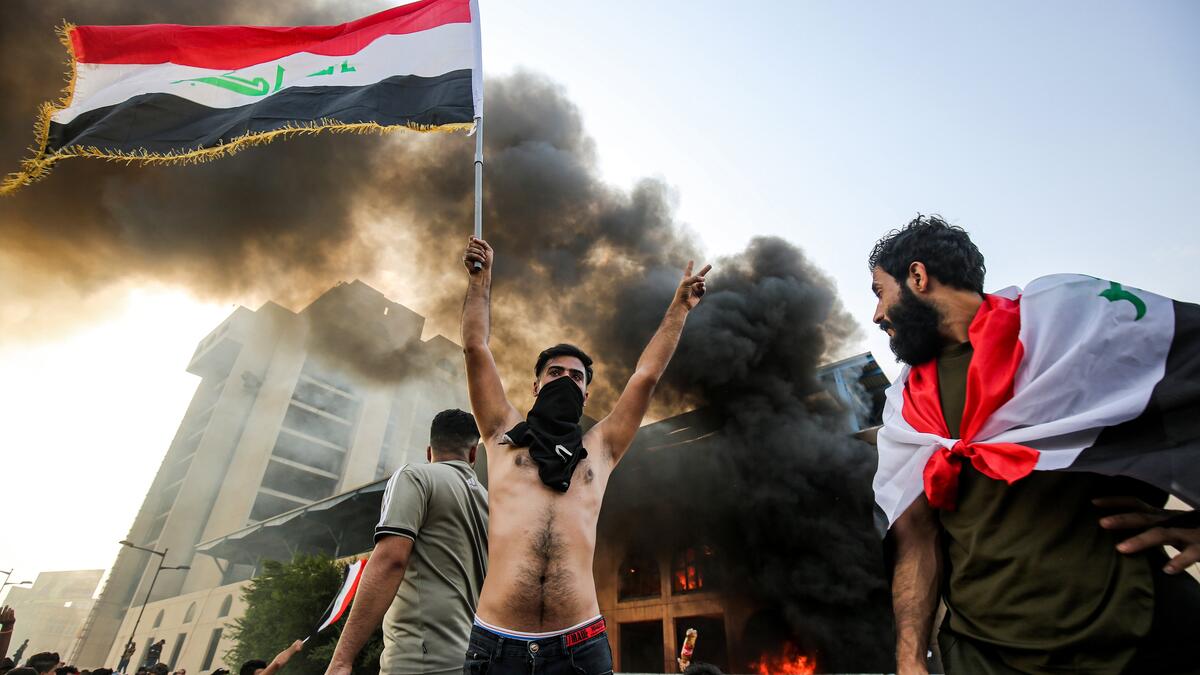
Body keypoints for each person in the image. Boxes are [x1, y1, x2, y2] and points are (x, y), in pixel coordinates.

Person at [869, 216, 1200, 674]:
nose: (878, 315)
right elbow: (916, 540)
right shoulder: (904, 409)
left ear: (918, 277)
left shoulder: (1065, 329)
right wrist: (910, 659)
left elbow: (1189, 366)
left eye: (880, 292)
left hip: (1138, 637)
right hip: (985, 657)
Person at [460, 236, 710, 674]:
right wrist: (481, 280)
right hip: (498, 646)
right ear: (536, 386)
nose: (565, 379)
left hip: (579, 647)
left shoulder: (600, 448)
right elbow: (476, 349)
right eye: (554, 373)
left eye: (575, 377)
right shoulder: (503, 434)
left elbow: (645, 377)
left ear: (586, 392)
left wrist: (680, 309)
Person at [325, 409, 488, 675]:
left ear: (429, 451)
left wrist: (342, 659)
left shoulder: (416, 477)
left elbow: (391, 560)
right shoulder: (491, 502)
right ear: (473, 454)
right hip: (475, 659)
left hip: (419, 660)